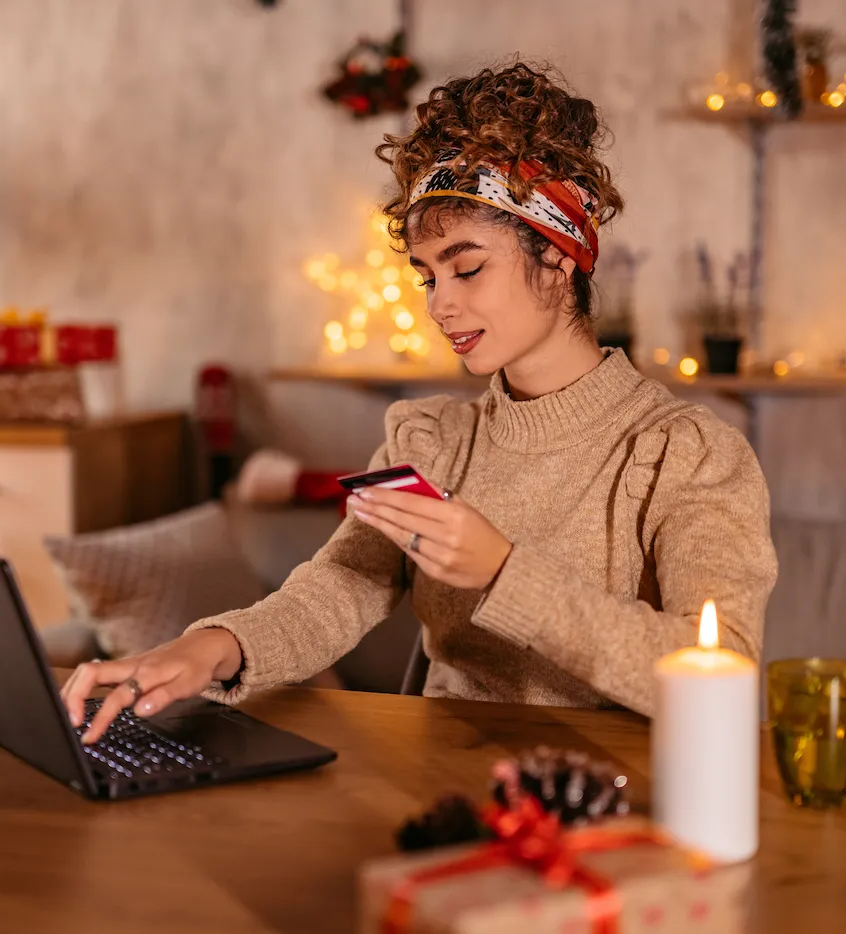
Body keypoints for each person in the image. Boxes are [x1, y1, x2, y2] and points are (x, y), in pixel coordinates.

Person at [64, 63, 778, 743]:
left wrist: (505, 572)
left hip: (608, 812)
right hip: (439, 793)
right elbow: (341, 586)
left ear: (560, 260)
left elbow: (728, 673)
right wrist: (213, 646)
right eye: (428, 277)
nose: (442, 305)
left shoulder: (682, 453)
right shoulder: (430, 439)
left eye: (467, 267)